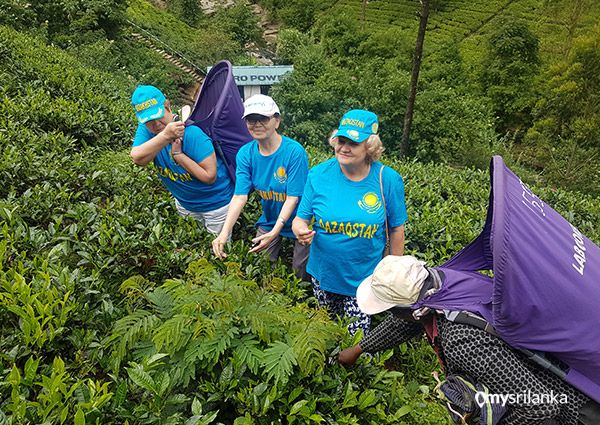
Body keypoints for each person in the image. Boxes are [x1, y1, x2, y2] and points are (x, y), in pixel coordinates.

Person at [339, 255, 598, 425]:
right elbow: (407, 322)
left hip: (575, 410)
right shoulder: (445, 281)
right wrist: (361, 348)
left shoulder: (461, 340)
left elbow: (539, 405)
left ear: (411, 308)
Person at [292, 109, 407, 335]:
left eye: (353, 143)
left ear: (370, 147)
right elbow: (300, 219)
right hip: (323, 275)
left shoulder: (388, 179)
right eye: (341, 140)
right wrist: (300, 231)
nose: (344, 148)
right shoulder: (318, 175)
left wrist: (393, 273)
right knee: (326, 332)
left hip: (365, 280)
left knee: (353, 340)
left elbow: (396, 229)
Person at [211, 94, 310, 279]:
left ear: (277, 121)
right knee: (263, 268)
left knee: (300, 273)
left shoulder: (294, 152)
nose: (256, 124)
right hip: (270, 218)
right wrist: (224, 233)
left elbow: (293, 197)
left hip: (300, 219)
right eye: (251, 119)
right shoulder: (246, 154)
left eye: (263, 118)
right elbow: (240, 196)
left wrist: (276, 231)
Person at [129, 85, 233, 235]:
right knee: (193, 249)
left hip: (215, 205)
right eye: (149, 120)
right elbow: (138, 158)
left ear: (167, 106)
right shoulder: (146, 129)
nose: (156, 124)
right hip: (185, 204)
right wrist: (166, 136)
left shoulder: (192, 133)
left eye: (158, 116)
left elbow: (210, 176)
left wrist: (179, 156)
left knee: (218, 250)